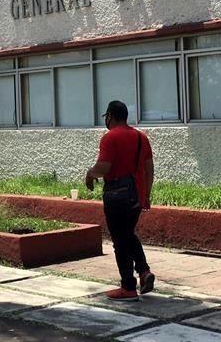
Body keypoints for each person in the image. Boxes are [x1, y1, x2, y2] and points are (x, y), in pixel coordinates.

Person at [85, 100, 155, 301]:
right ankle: (143, 272)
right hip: (136, 196)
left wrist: (89, 175)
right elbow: (149, 169)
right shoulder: (141, 138)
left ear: (112, 116)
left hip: (116, 196)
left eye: (106, 116)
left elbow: (103, 168)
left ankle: (128, 287)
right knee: (127, 235)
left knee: (120, 241)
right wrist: (146, 195)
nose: (106, 120)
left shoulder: (110, 138)